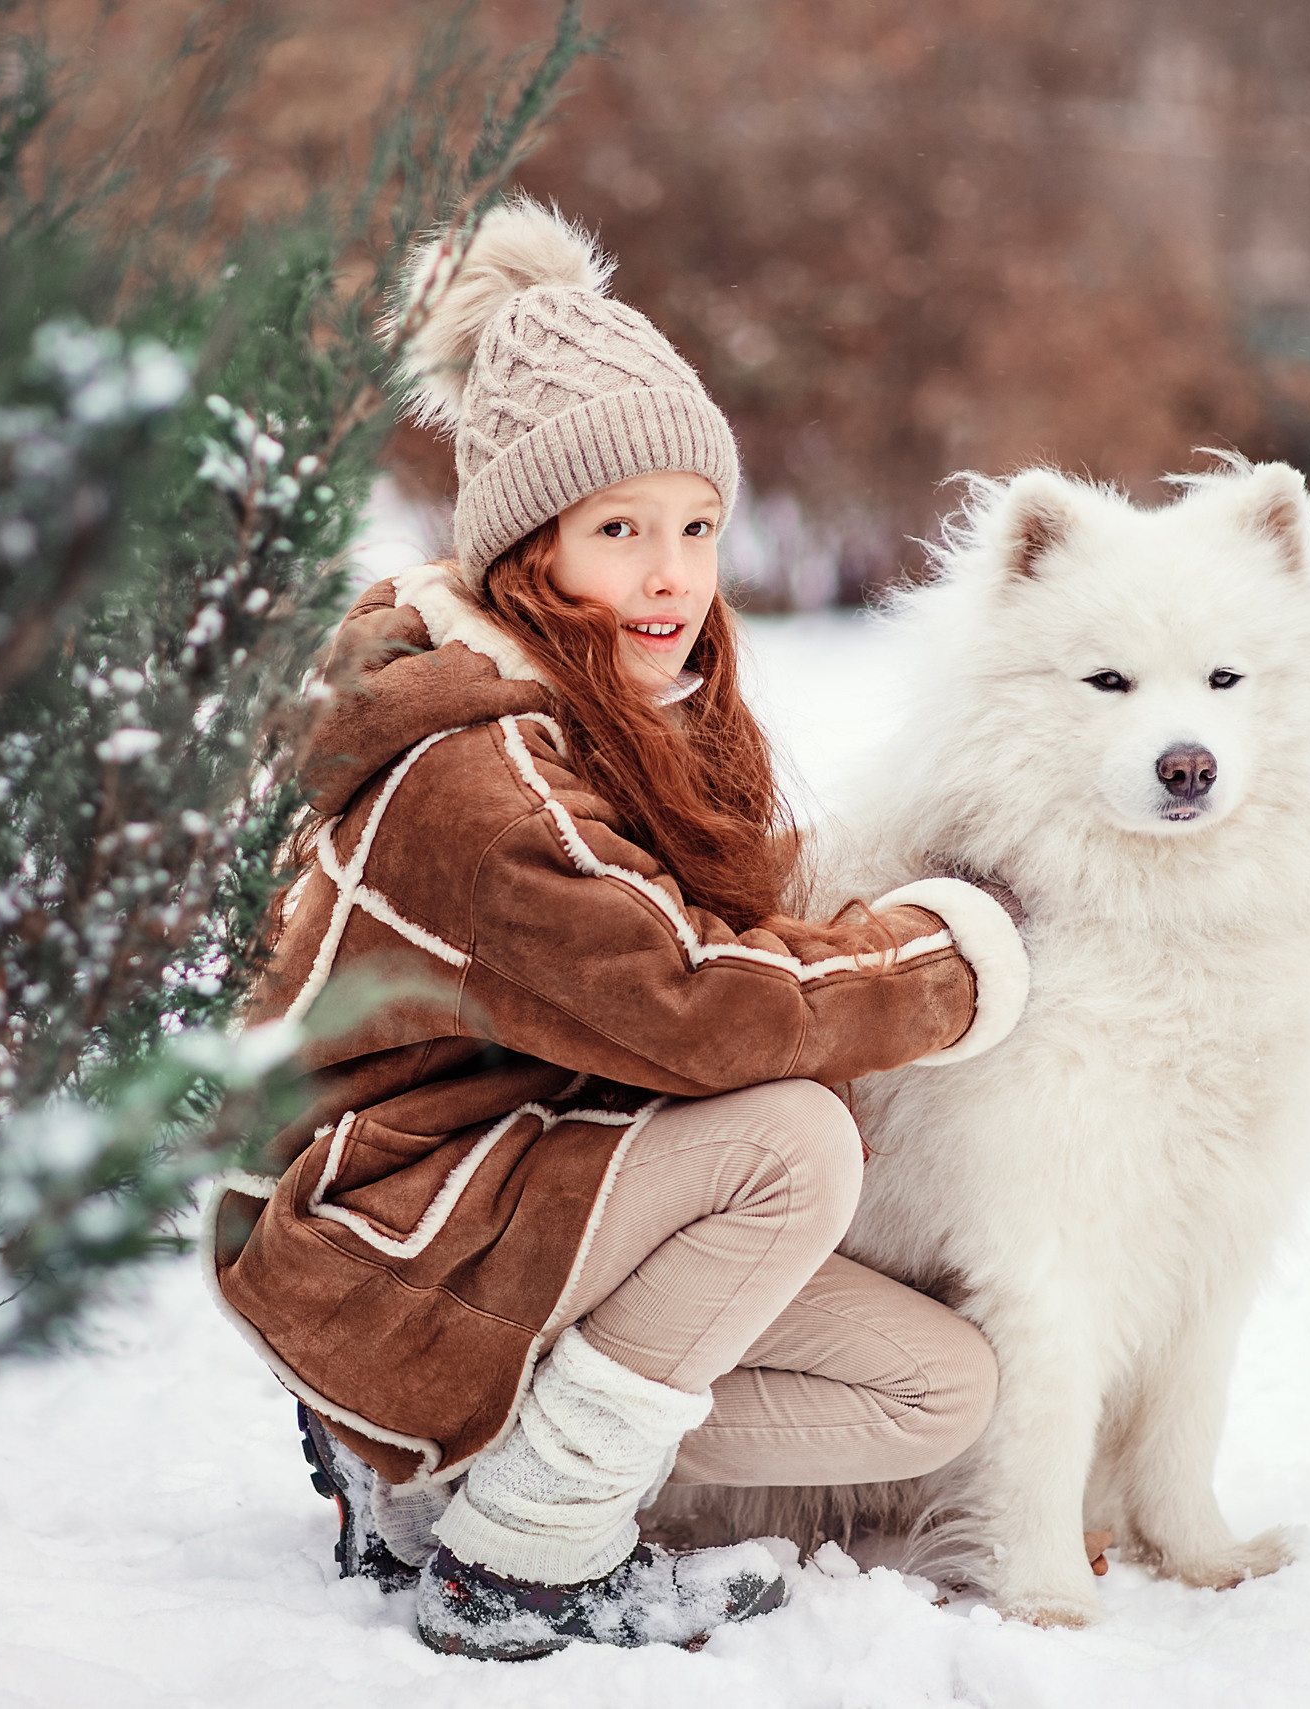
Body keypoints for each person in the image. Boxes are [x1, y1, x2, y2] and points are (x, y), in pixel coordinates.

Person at [204, 199, 1029, 1661]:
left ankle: (454, 1470)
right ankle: (518, 1559)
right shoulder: (475, 769)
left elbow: (722, 917)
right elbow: (695, 1002)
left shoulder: (627, 717)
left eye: (697, 527)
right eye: (621, 531)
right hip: (383, 1247)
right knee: (792, 1141)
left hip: (525, 1210)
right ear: (529, 544)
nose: (672, 575)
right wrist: (945, 962)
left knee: (933, 1390)